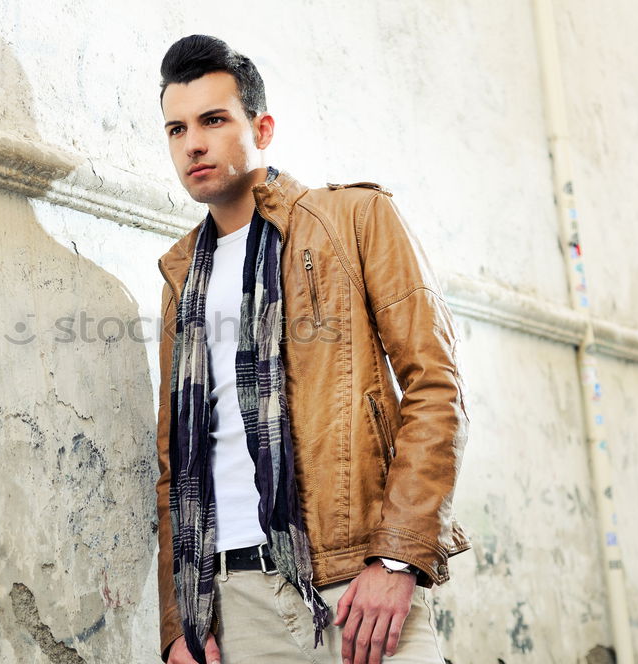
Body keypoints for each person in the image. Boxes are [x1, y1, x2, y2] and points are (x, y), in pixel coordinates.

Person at [153, 35, 471, 664]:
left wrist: (398, 557)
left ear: (261, 128)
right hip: (232, 601)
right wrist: (177, 626)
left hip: (359, 588)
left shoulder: (354, 219)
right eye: (176, 128)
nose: (193, 143)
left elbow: (436, 388)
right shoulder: (179, 275)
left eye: (214, 120)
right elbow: (174, 461)